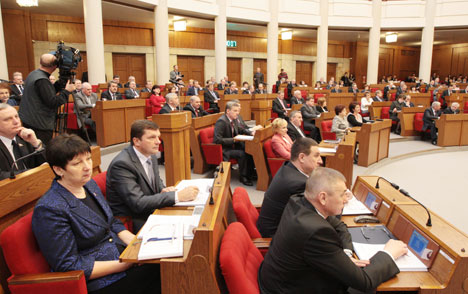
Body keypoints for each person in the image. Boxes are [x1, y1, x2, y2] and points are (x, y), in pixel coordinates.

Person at [31, 134, 161, 294]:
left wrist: (137, 245)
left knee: (165, 260)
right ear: (58, 169)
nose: (87, 167)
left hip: (121, 254)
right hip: (101, 280)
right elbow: (69, 265)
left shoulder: (88, 184)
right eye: (77, 163)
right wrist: (126, 263)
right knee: (165, 270)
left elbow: (111, 222)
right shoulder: (50, 208)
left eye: (88, 159)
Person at [258, 167, 408, 294]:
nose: (346, 199)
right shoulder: (315, 231)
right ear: (323, 198)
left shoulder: (299, 201)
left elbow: (339, 226)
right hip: (290, 289)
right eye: (342, 194)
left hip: (283, 279)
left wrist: (346, 254)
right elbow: (364, 282)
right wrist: (389, 253)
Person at [107, 120, 199, 232]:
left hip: (151, 209)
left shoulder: (151, 155)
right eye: (152, 138)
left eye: (158, 137)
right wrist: (177, 196)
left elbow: (156, 181)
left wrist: (163, 189)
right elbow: (138, 203)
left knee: (194, 220)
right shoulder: (122, 165)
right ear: (136, 141)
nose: (158, 142)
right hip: (134, 221)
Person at [257, 137, 322, 237]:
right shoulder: (299, 183)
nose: (320, 161)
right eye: (316, 156)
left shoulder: (287, 167)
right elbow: (315, 216)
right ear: (302, 158)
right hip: (275, 236)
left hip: (275, 225)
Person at [18, 53, 75, 145]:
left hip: (29, 119)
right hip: (39, 123)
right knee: (41, 150)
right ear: (55, 66)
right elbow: (53, 102)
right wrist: (67, 91)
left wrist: (60, 83)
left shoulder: (34, 74)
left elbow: (46, 93)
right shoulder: (42, 80)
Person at [214, 101, 256, 186]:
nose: (237, 113)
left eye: (238, 111)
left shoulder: (234, 119)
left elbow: (241, 129)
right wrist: (233, 140)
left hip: (234, 145)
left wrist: (251, 133)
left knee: (250, 150)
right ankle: (243, 177)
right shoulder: (221, 121)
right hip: (225, 149)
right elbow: (217, 140)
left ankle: (250, 173)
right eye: (235, 111)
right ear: (228, 111)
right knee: (242, 154)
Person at [0, 104, 45, 180]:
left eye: (16, 116)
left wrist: (36, 143)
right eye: (8, 119)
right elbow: (1, 175)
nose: (16, 122)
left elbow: (49, 164)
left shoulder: (25, 138)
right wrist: (31, 172)